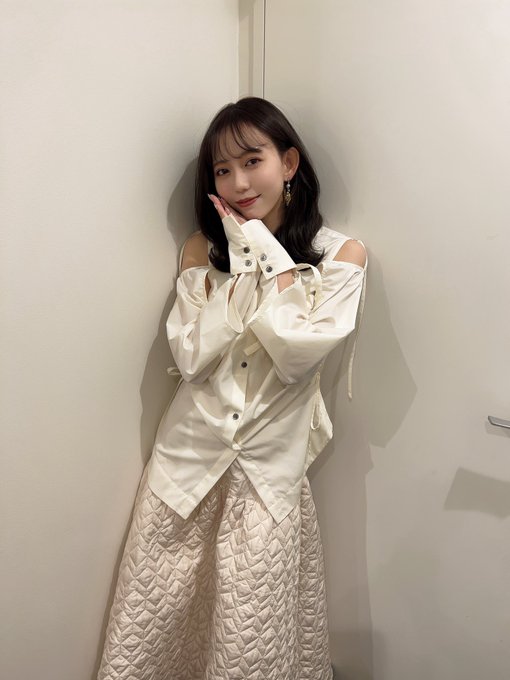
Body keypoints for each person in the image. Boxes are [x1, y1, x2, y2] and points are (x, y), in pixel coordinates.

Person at [97, 96, 367, 680]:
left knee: (252, 645)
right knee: (151, 636)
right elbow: (192, 357)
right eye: (222, 170)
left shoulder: (341, 255)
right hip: (183, 469)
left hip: (268, 481)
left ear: (288, 163)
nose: (239, 183)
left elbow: (294, 355)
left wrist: (268, 254)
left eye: (252, 161)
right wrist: (242, 259)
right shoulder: (202, 249)